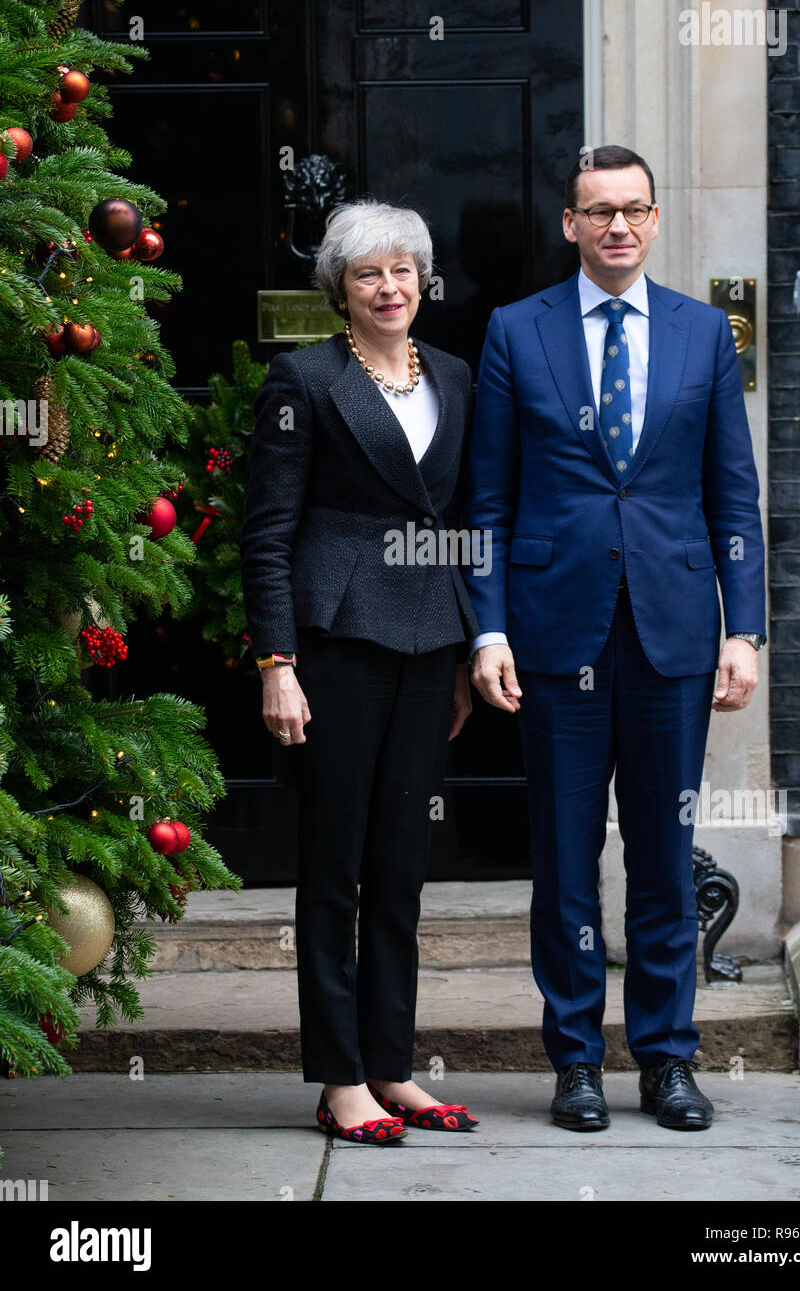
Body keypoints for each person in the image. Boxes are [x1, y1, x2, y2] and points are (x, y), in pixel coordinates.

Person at [463, 145, 766, 1132]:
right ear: (570, 224)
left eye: (634, 209)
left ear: (656, 219)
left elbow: (733, 493)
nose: (618, 227)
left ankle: (669, 1061)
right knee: (563, 858)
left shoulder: (701, 334)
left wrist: (745, 630)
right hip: (554, 637)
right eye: (599, 212)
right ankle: (577, 1061)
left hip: (674, 634)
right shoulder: (517, 330)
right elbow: (490, 500)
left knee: (664, 859)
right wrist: (490, 627)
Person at [240, 200, 481, 1144]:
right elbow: (267, 534)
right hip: (335, 642)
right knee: (333, 869)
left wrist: (464, 650)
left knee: (401, 871)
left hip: (428, 643)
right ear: (339, 288)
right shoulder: (303, 377)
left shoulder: (454, 378)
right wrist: (277, 662)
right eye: (368, 274)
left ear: (423, 281)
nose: (389, 288)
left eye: (403, 272)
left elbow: (456, 519)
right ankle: (339, 1081)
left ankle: (392, 1066)